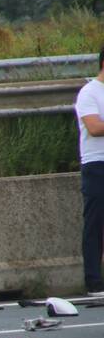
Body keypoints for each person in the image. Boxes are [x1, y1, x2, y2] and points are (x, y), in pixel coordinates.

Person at [75, 47, 104, 295]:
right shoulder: (89, 92)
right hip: (96, 164)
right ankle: (93, 280)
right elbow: (94, 128)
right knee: (95, 223)